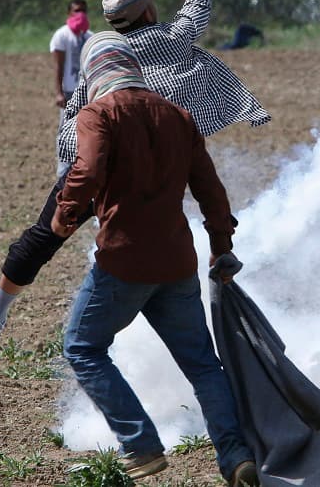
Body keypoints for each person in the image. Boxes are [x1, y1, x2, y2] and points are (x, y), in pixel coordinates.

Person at [0, 0, 270, 344]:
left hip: (98, 158)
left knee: (44, 236)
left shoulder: (105, 54)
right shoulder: (172, 38)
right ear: (148, 11)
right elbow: (199, 0)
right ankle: (205, 274)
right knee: (180, 218)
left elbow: (75, 116)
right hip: (160, 161)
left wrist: (70, 189)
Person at [51, 32, 259, 485]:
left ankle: (141, 444)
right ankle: (236, 455)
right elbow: (211, 189)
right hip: (177, 262)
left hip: (123, 262)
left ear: (94, 73)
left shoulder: (97, 114)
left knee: (82, 347)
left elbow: (87, 169)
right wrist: (221, 245)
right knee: (203, 364)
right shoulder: (177, 116)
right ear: (132, 66)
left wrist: (65, 214)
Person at [51, 0, 93, 178]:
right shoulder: (62, 35)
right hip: (69, 90)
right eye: (76, 10)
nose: (80, 14)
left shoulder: (90, 37)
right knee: (66, 130)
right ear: (69, 13)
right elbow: (59, 66)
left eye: (83, 10)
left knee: (88, 130)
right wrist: (59, 92)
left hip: (87, 91)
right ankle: (64, 172)